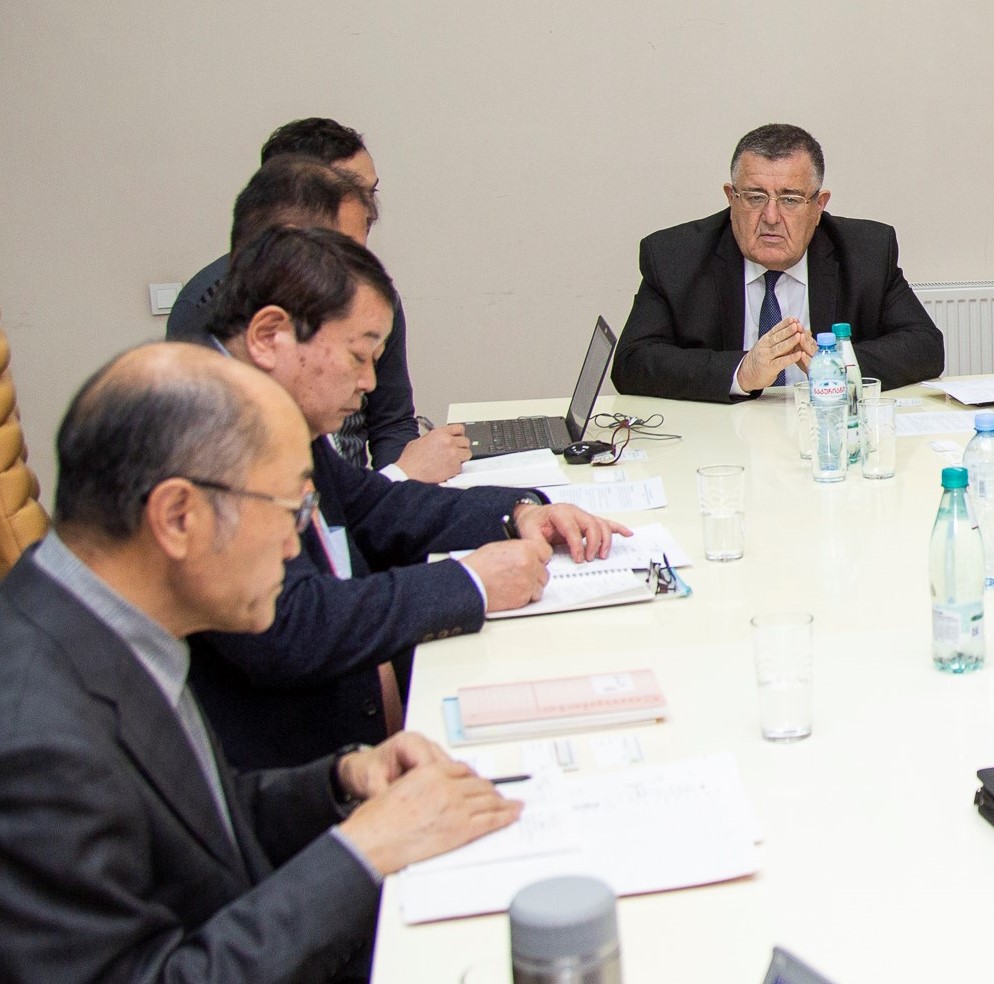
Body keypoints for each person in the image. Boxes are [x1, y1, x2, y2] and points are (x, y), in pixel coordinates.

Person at [0, 342, 521, 982]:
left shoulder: (104, 619)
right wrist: (362, 853)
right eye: (289, 511)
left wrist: (339, 784)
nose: (295, 545)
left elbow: (195, 822)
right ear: (178, 516)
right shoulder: (35, 741)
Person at [187, 226, 630, 770]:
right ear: (269, 335)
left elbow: (373, 506)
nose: (370, 382)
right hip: (300, 773)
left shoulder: (267, 405)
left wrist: (518, 512)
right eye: (358, 356)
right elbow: (289, 624)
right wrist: (469, 583)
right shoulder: (200, 430)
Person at [168, 117, 470, 483]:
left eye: (371, 192)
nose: (370, 213)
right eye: (356, 357)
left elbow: (390, 425)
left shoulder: (371, 299)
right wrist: (401, 477)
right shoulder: (228, 405)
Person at [610, 123, 945, 403]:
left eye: (790, 199)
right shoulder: (674, 257)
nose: (770, 217)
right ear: (731, 198)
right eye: (755, 197)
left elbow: (926, 346)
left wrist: (834, 365)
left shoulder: (866, 252)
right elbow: (631, 362)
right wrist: (741, 371)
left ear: (819, 206)